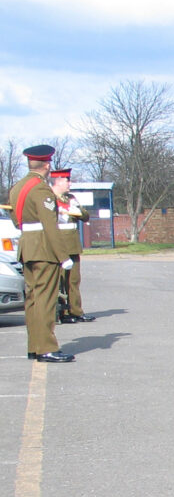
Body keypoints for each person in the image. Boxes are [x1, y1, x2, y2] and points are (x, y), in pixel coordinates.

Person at [9, 145, 74, 362]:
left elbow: (16, 219)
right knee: (45, 300)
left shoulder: (17, 187)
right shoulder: (41, 189)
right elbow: (50, 225)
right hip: (44, 249)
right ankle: (46, 347)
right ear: (47, 165)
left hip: (27, 246)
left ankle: (34, 345)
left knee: (33, 300)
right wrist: (63, 256)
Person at [47, 169, 94, 323]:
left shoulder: (71, 198)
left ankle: (76, 310)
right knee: (59, 280)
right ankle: (61, 313)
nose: (70, 184)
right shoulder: (49, 198)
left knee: (73, 280)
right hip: (58, 244)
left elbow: (86, 215)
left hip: (72, 244)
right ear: (58, 181)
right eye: (67, 181)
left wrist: (76, 210)